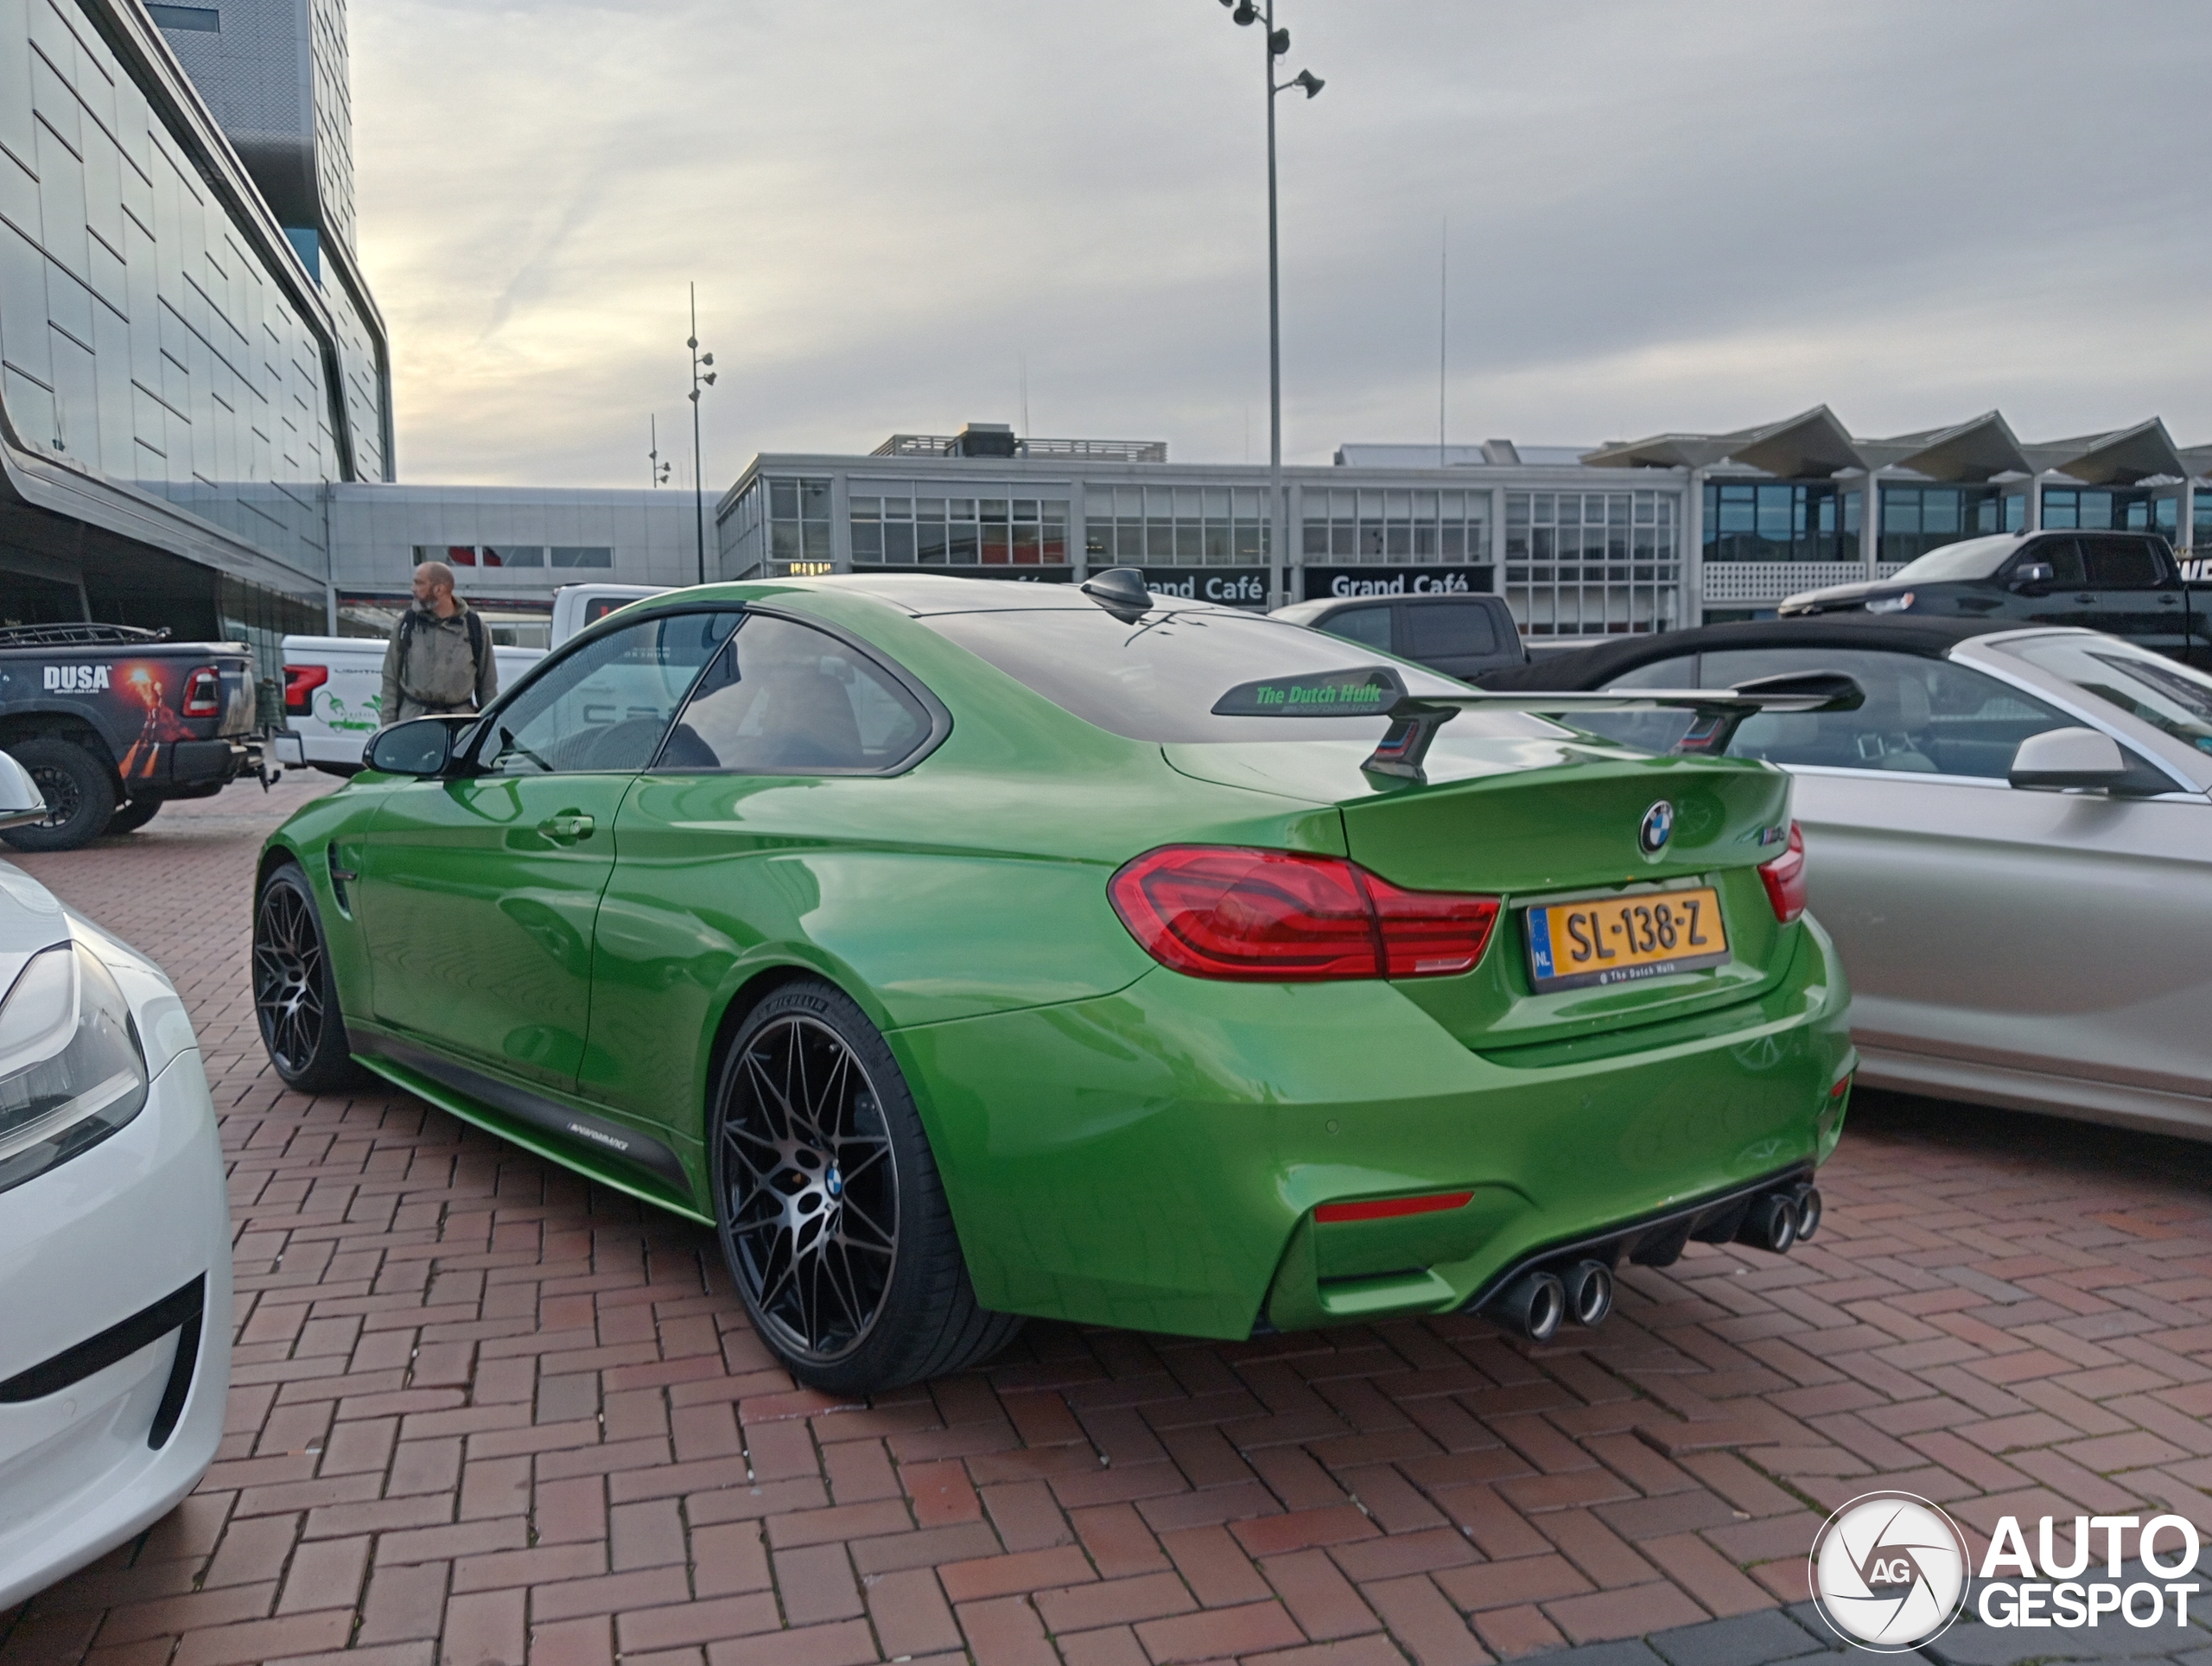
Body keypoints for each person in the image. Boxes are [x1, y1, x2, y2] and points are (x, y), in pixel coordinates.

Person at [379, 562, 498, 724]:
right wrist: (388, 728)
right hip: (413, 723)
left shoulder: (475, 627)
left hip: (458, 726)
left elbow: (488, 688)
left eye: (419, 583)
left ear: (439, 589)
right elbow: (390, 680)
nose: (413, 588)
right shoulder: (406, 624)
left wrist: (487, 731)